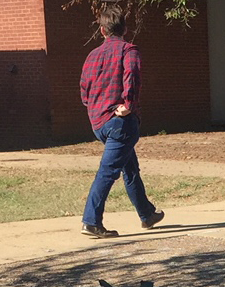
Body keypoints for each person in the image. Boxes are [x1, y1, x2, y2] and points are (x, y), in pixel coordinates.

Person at [78, 6, 163, 239]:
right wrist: (128, 105)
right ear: (125, 29)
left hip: (99, 123)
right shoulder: (129, 50)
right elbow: (132, 77)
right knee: (108, 172)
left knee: (130, 167)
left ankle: (147, 214)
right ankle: (91, 221)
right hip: (120, 123)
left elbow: (84, 91)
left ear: (103, 30)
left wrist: (95, 109)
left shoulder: (92, 56)